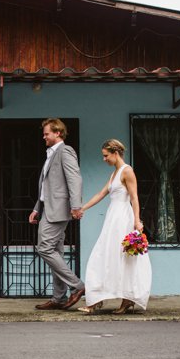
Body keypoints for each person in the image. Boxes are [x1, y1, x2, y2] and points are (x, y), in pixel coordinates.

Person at [77, 139, 152, 314]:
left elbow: (134, 198)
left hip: (123, 220)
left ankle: (126, 300)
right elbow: (101, 194)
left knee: (123, 258)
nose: (104, 159)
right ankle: (96, 299)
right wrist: (83, 209)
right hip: (112, 220)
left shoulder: (127, 171)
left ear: (115, 153)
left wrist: (137, 220)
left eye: (106, 155)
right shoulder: (114, 174)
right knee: (104, 256)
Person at [28, 118, 87, 310]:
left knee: (44, 248)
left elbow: (74, 179)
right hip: (48, 209)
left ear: (58, 133)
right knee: (57, 253)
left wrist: (76, 206)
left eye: (46, 133)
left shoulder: (65, 151)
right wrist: (37, 208)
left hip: (59, 211)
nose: (43, 136)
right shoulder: (51, 154)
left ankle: (77, 286)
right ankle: (59, 298)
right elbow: (47, 187)